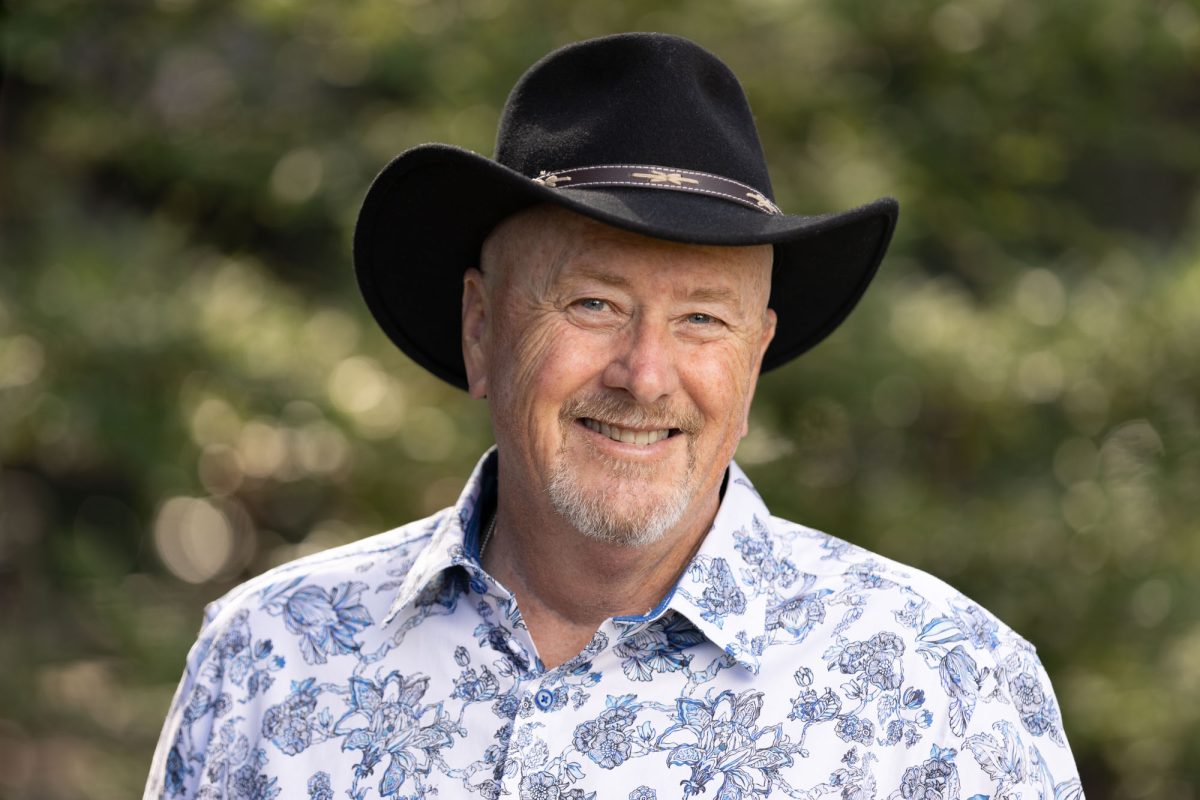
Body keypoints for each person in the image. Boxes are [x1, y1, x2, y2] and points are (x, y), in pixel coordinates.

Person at [145, 33, 1083, 799]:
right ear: (482, 329)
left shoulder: (952, 687)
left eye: (703, 319)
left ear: (753, 361)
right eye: (593, 303)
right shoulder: (267, 656)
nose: (644, 374)